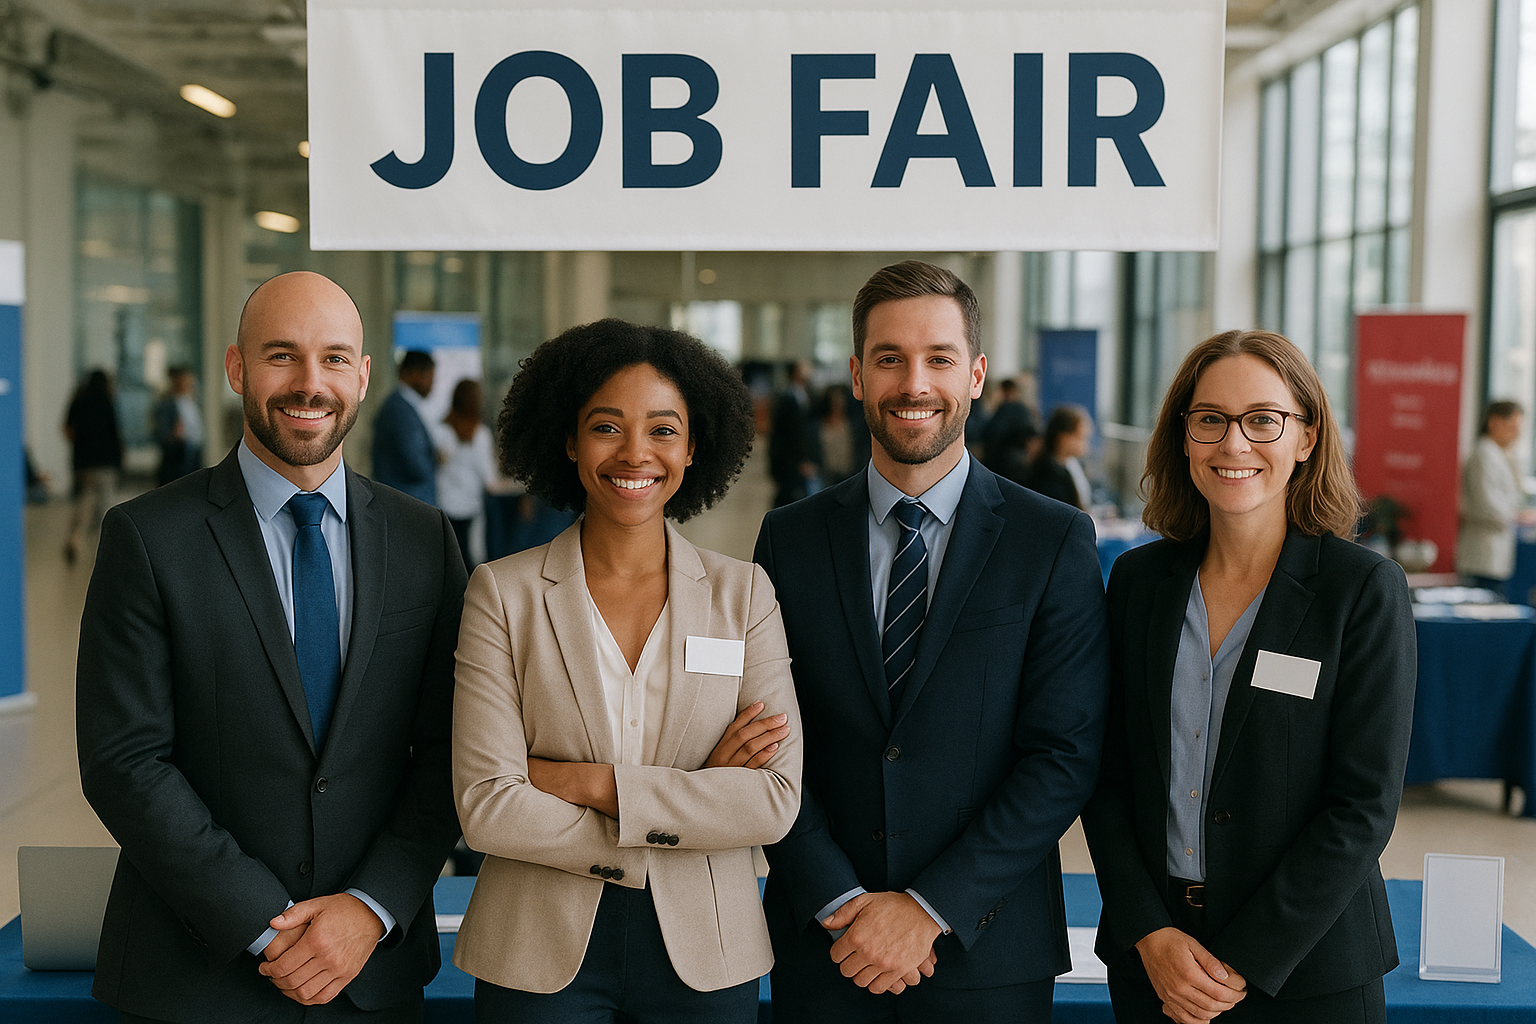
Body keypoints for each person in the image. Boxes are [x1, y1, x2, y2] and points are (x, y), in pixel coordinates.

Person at [76, 271, 467, 1022]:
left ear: (362, 375)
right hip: (195, 974)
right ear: (237, 368)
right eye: (281, 355)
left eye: (333, 358)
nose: (309, 383)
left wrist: (370, 906)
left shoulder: (424, 540)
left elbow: (454, 746)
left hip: (372, 974)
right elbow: (125, 760)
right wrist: (264, 926)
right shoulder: (148, 537)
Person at [754, 261, 1110, 1021]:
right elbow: (764, 742)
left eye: (939, 359)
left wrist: (927, 907)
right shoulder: (790, 540)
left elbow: (1065, 754)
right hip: (825, 945)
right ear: (856, 374)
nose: (915, 383)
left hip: (987, 948)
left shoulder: (1051, 540)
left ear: (976, 374)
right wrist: (840, 899)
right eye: (890, 359)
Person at [452, 319, 803, 1023]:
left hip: (708, 949)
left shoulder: (744, 595)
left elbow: (771, 799)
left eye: (663, 430)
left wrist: (582, 782)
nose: (635, 453)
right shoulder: (502, 593)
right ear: (570, 441)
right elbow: (488, 807)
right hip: (534, 944)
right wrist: (692, 799)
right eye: (607, 426)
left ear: (695, 445)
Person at [1081, 329, 1416, 1024]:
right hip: (1157, 966)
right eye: (1210, 420)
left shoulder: (1362, 590)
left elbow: (1362, 807)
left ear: (1307, 437)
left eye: (1263, 419)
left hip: (1304, 970)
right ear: (1184, 436)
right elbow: (1107, 777)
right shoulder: (1139, 583)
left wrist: (1243, 959)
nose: (1234, 444)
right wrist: (1148, 931)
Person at [1455, 399, 1525, 593]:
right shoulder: (1483, 455)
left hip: (1495, 558)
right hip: (1482, 558)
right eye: (1512, 427)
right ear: (1494, 422)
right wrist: (1519, 517)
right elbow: (1488, 507)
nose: (1517, 434)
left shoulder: (1500, 455)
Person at [434, 378, 501, 568]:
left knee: (447, 559)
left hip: (444, 503)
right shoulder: (480, 435)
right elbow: (489, 480)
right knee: (469, 559)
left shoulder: (441, 431)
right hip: (470, 507)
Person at [372, 349, 438, 504]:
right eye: (429, 376)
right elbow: (415, 464)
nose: (432, 383)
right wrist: (435, 461)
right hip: (407, 501)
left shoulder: (404, 405)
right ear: (414, 373)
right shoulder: (399, 410)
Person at [768, 359, 822, 506]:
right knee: (789, 495)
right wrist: (799, 460)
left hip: (800, 458)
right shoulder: (786, 398)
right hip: (790, 460)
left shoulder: (805, 394)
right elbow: (788, 435)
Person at [1023, 404, 1094, 510]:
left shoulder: (1070, 464)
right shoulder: (1047, 475)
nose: (1086, 444)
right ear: (1064, 439)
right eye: (1081, 438)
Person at [980, 376, 1039, 485]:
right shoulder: (1023, 409)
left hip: (1004, 462)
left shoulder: (1007, 409)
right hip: (1015, 462)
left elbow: (993, 433)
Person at [153, 365, 204, 485]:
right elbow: (160, 432)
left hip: (193, 452)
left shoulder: (192, 402)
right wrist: (174, 435)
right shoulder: (168, 404)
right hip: (177, 457)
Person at [817, 382, 870, 486]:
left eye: (840, 399)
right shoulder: (819, 426)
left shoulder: (854, 425)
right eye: (833, 400)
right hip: (825, 476)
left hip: (850, 475)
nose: (837, 403)